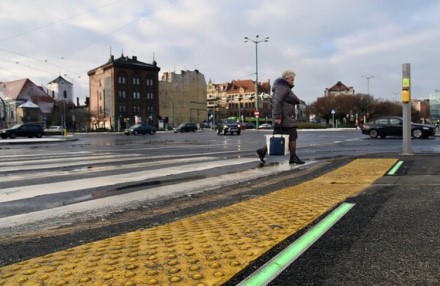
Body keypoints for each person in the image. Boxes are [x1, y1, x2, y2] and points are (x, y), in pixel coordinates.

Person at [256, 69, 305, 164]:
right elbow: (277, 102)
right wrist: (278, 116)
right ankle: (293, 157)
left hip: (285, 117)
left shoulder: (283, 87)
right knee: (292, 137)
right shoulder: (282, 87)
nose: (293, 81)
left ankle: (262, 151)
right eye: (291, 79)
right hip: (284, 118)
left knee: (277, 136)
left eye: (293, 79)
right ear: (286, 79)